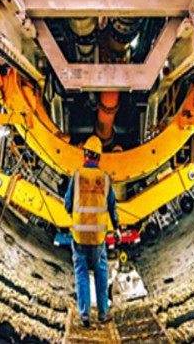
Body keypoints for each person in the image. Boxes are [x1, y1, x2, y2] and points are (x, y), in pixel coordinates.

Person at [65, 135, 121, 328]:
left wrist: (74, 213)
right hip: (98, 237)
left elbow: (67, 203)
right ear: (98, 157)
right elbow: (112, 207)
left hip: (79, 235)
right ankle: (103, 313)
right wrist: (117, 228)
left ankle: (85, 316)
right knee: (100, 271)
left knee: (81, 272)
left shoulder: (77, 176)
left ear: (86, 154)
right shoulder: (104, 179)